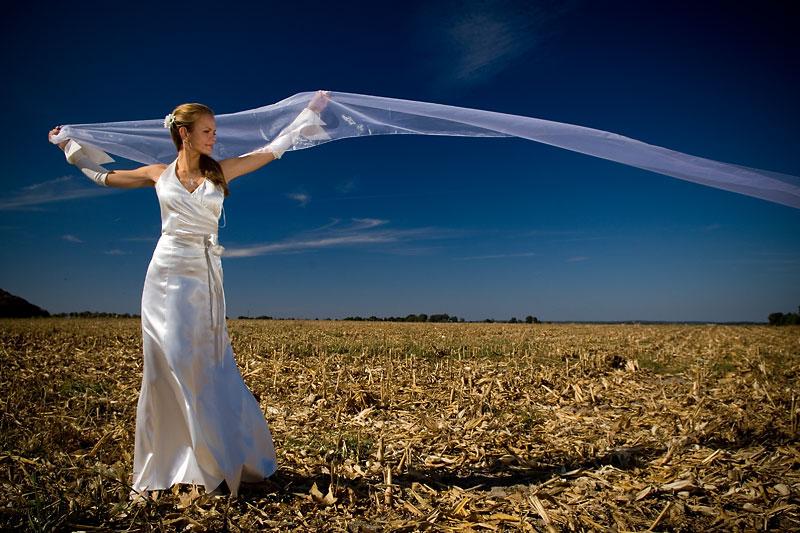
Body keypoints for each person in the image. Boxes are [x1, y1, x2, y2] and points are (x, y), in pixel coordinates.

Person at [48, 90, 331, 499]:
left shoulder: (221, 172)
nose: (214, 137)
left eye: (214, 130)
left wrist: (309, 113)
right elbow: (103, 177)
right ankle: (172, 460)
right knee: (169, 361)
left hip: (204, 275)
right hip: (164, 273)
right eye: (207, 131)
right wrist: (69, 146)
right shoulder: (156, 173)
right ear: (184, 133)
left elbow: (275, 149)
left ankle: (214, 457)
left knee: (205, 362)